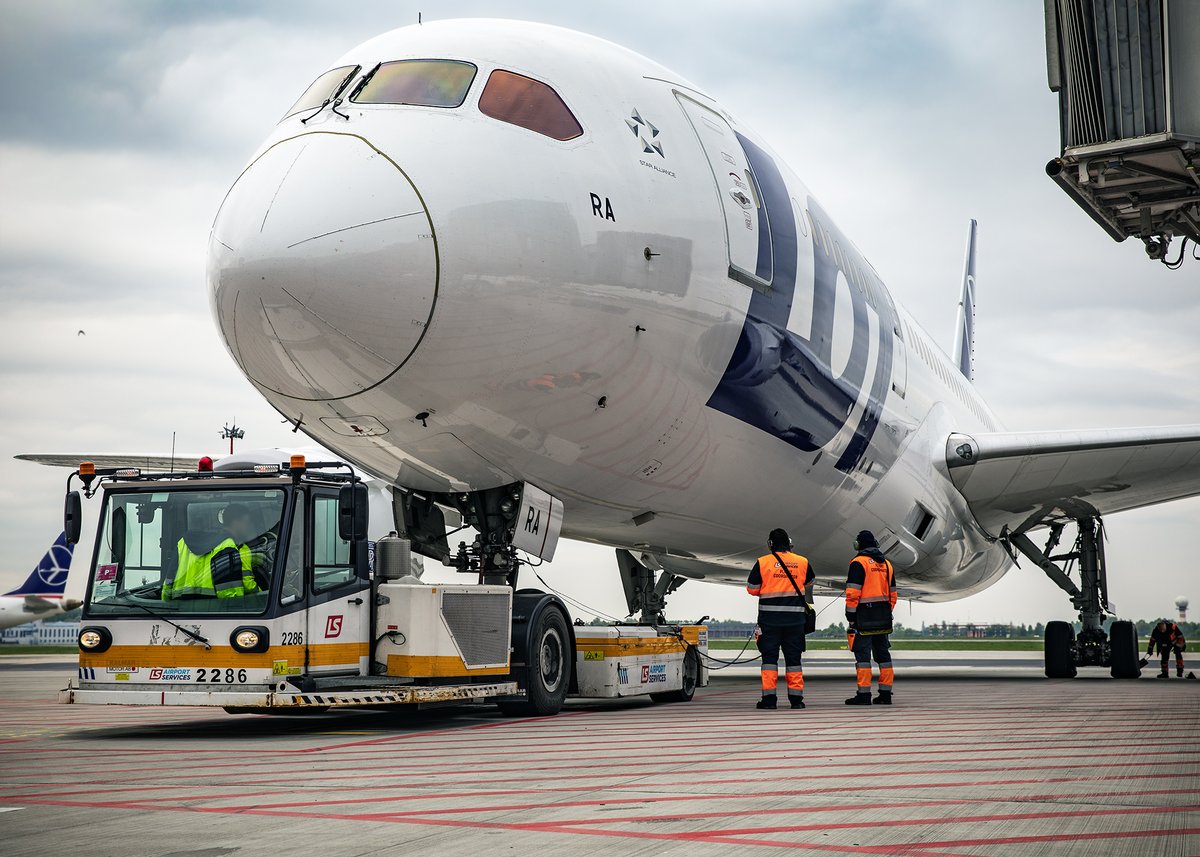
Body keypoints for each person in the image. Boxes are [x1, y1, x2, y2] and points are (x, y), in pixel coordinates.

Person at [746, 528, 815, 710]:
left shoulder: (763, 562)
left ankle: (769, 700)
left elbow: (752, 588)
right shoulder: (802, 562)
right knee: (794, 661)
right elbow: (810, 582)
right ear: (789, 543)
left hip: (770, 621)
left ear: (770, 544)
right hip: (795, 622)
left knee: (769, 660)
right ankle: (796, 700)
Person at [844, 529, 897, 706]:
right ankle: (885, 694)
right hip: (883, 618)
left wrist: (850, 615)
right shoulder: (887, 565)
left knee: (863, 657)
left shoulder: (858, 563)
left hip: (863, 618)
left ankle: (864, 694)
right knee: (883, 656)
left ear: (858, 545)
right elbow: (893, 595)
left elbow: (853, 592)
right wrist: (885, 612)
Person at [162, 504, 258, 600]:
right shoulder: (228, 546)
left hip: (181, 611)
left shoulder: (183, 543)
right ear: (236, 522)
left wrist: (166, 606)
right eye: (247, 522)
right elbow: (230, 593)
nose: (249, 527)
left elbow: (169, 582)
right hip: (212, 610)